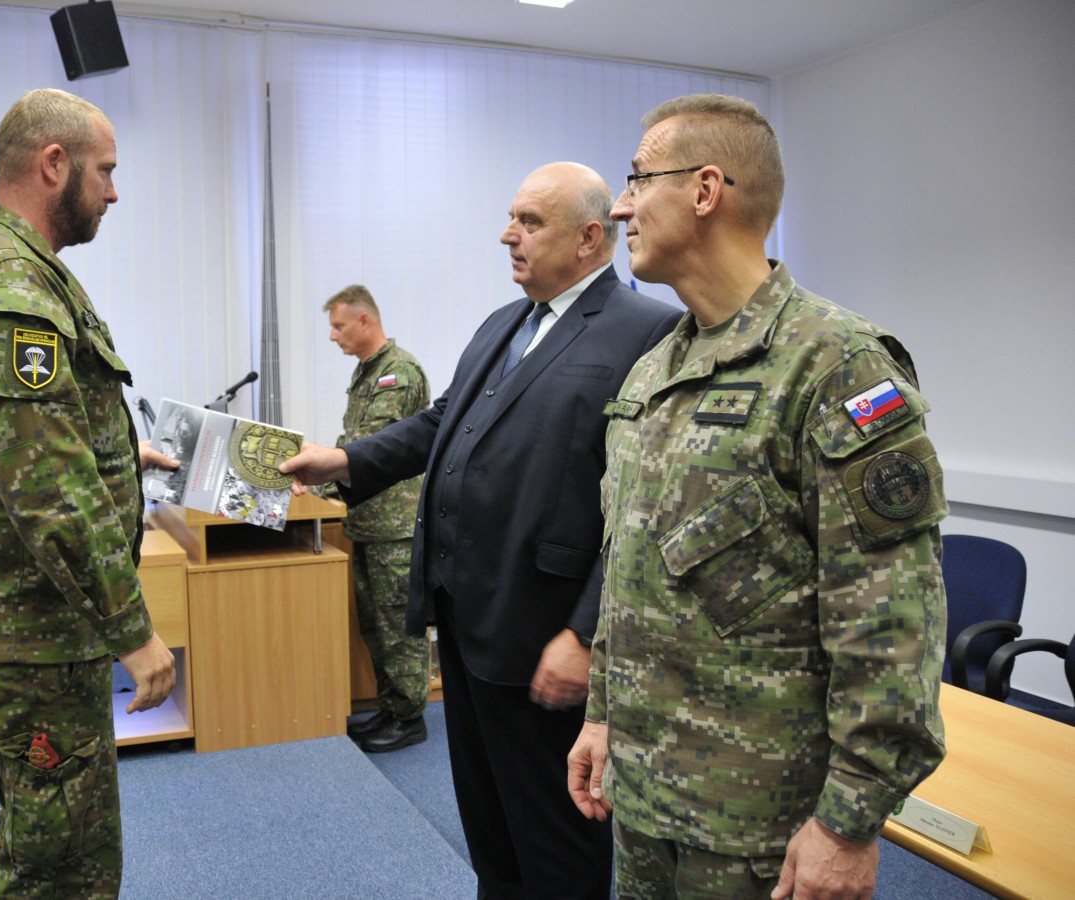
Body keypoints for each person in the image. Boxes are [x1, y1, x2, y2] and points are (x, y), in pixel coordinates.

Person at [566, 94, 948, 900]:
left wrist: (847, 824)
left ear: (705, 190)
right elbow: (629, 570)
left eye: (637, 180)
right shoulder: (655, 370)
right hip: (644, 798)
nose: (620, 207)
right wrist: (602, 714)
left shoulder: (835, 366)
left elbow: (889, 622)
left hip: (759, 828)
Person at [282, 162, 681, 898]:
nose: (507, 235)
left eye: (529, 221)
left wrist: (586, 633)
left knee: (554, 836)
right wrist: (345, 461)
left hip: (547, 628)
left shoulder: (648, 331)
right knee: (489, 824)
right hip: (468, 617)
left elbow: (649, 506)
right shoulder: (505, 322)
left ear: (588, 237)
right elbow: (443, 423)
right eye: (511, 218)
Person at [0, 88, 175, 898]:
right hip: (29, 638)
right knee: (60, 872)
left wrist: (123, 453)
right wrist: (133, 631)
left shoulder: (19, 271)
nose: (113, 192)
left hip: (33, 632)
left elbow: (29, 444)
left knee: (56, 852)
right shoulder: (11, 288)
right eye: (105, 171)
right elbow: (48, 490)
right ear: (53, 163)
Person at [322, 285, 432, 753]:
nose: (333, 336)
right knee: (375, 625)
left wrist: (318, 479)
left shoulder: (397, 373)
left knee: (398, 626)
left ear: (365, 321)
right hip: (368, 521)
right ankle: (390, 708)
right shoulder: (367, 371)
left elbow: (375, 445)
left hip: (394, 526)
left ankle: (409, 717)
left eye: (339, 326)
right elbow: (352, 442)